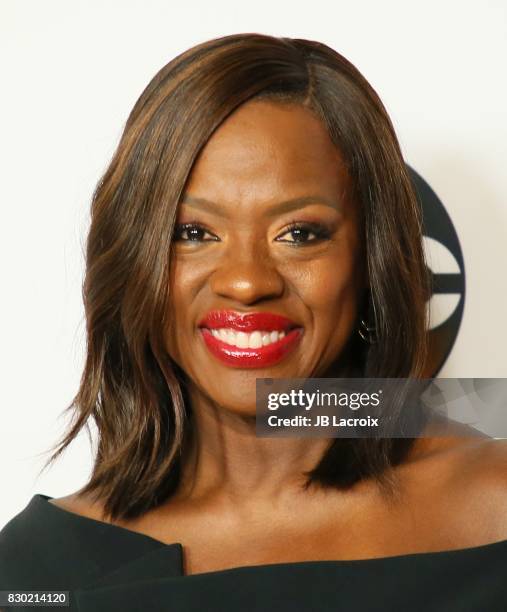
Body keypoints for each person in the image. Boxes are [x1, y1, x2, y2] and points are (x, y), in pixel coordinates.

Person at [1, 33, 506, 611]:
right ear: (135, 260)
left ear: (371, 259)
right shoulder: (39, 569)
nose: (246, 281)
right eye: (194, 233)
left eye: (299, 233)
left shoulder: (493, 506)